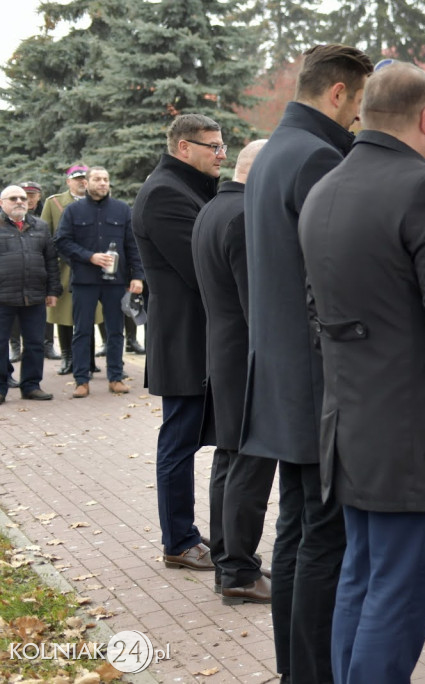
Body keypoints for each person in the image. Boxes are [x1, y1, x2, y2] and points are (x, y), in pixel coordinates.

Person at [298, 60, 425, 684]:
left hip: (352, 429)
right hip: (415, 440)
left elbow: (317, 314)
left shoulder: (324, 189)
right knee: (398, 595)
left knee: (361, 581)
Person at [242, 44, 373, 684]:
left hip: (283, 375)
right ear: (340, 93)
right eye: (359, 106)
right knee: (322, 539)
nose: (360, 123)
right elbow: (337, 277)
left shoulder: (274, 152)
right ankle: (314, 673)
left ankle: (297, 671)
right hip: (319, 382)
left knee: (297, 534)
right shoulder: (320, 156)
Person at [133, 113, 225, 574]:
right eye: (212, 146)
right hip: (184, 339)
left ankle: (184, 532)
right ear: (183, 147)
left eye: (222, 145)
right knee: (178, 440)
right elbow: (201, 267)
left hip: (193, 336)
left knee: (184, 437)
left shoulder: (184, 187)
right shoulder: (167, 193)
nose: (220, 154)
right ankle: (178, 541)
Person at [192, 139, 276, 606]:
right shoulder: (245, 217)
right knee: (249, 463)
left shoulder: (214, 209)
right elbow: (256, 306)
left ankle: (229, 560)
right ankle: (239, 571)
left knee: (229, 460)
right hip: (247, 358)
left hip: (225, 354)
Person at [55, 167, 144, 398]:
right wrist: (89, 256)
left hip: (116, 281)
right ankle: (81, 380)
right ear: (87, 183)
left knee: (116, 330)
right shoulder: (73, 211)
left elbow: (133, 246)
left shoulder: (122, 210)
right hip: (85, 280)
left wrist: (137, 276)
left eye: (106, 179)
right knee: (82, 330)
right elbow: (62, 241)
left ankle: (116, 377)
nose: (102, 183)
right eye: (97, 179)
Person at [0, 185, 61, 403]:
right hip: (3, 297)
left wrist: (53, 290)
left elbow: (51, 261)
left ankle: (31, 385)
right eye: (13, 198)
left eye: (23, 198)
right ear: (2, 203)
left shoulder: (40, 226)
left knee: (35, 343)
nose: (19, 201)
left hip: (34, 295)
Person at [41, 165, 100, 376]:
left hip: (92, 265)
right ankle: (67, 358)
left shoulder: (97, 201)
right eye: (77, 179)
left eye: (85, 178)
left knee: (90, 313)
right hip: (64, 267)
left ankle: (89, 359)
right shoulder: (54, 203)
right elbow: (45, 235)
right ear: (68, 182)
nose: (82, 182)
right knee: (65, 316)